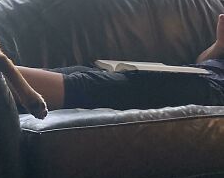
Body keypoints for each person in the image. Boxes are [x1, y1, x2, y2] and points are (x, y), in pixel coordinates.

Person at [17, 13, 224, 111]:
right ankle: (3, 84)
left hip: (210, 91)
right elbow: (204, 63)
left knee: (91, 86)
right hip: (199, 75)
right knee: (82, 71)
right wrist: (219, 44)